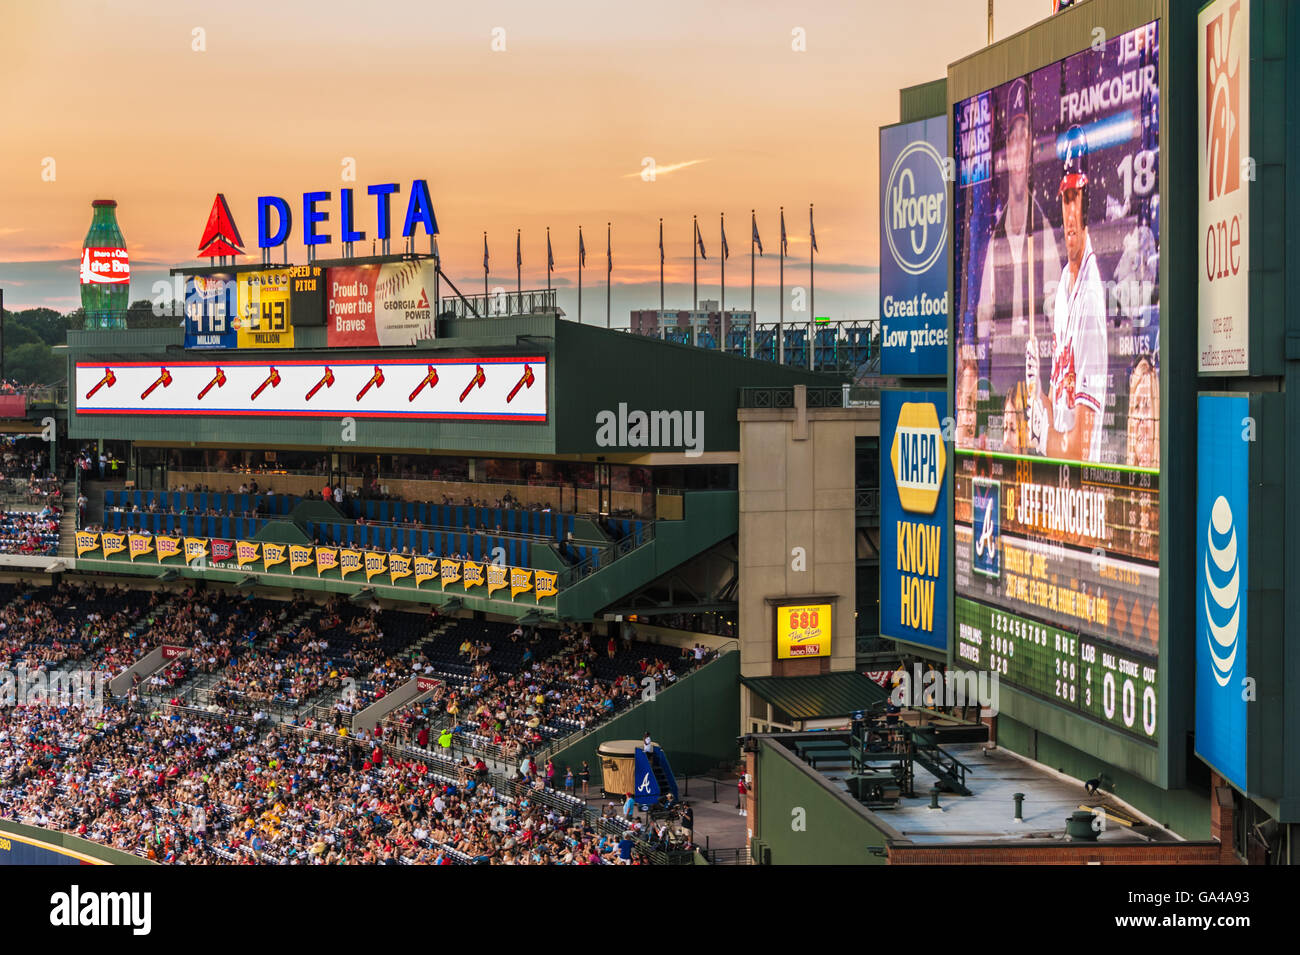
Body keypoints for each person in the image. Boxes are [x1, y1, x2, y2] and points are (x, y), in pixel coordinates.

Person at [968, 76, 1062, 454]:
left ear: (1032, 150)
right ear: (1006, 153)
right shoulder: (994, 244)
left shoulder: (1047, 235)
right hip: (1005, 393)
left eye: (1026, 139)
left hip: (1037, 398)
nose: (1019, 151)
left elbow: (1060, 324)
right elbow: (982, 324)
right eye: (1013, 140)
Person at [1027, 124, 1107, 463]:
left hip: (1084, 492)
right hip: (1059, 492)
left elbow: (1081, 449)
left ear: (1088, 204)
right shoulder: (1063, 284)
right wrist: (1038, 394)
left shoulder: (1090, 297)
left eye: (1077, 198)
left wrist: (1044, 438)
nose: (1070, 214)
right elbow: (1061, 405)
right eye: (1066, 198)